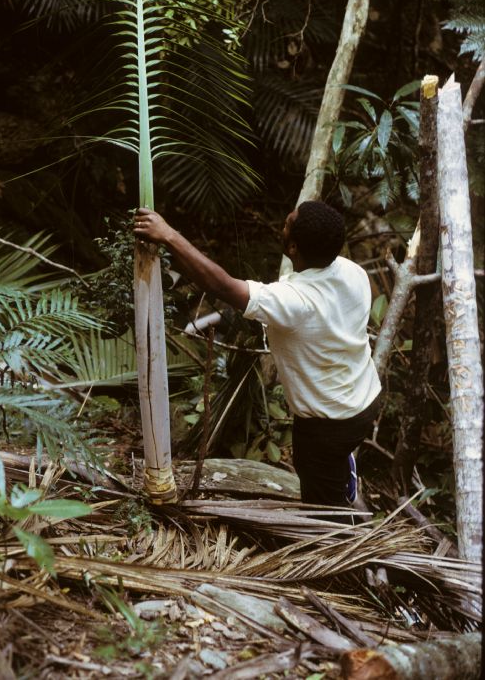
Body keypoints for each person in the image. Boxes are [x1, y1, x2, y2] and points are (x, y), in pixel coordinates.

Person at [133, 200, 381, 510]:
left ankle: (341, 538)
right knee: (333, 464)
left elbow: (222, 286)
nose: (283, 225)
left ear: (292, 247)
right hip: (366, 399)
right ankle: (341, 475)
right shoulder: (350, 270)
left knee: (322, 506)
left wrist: (168, 235)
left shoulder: (296, 301)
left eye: (287, 224)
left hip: (328, 425)